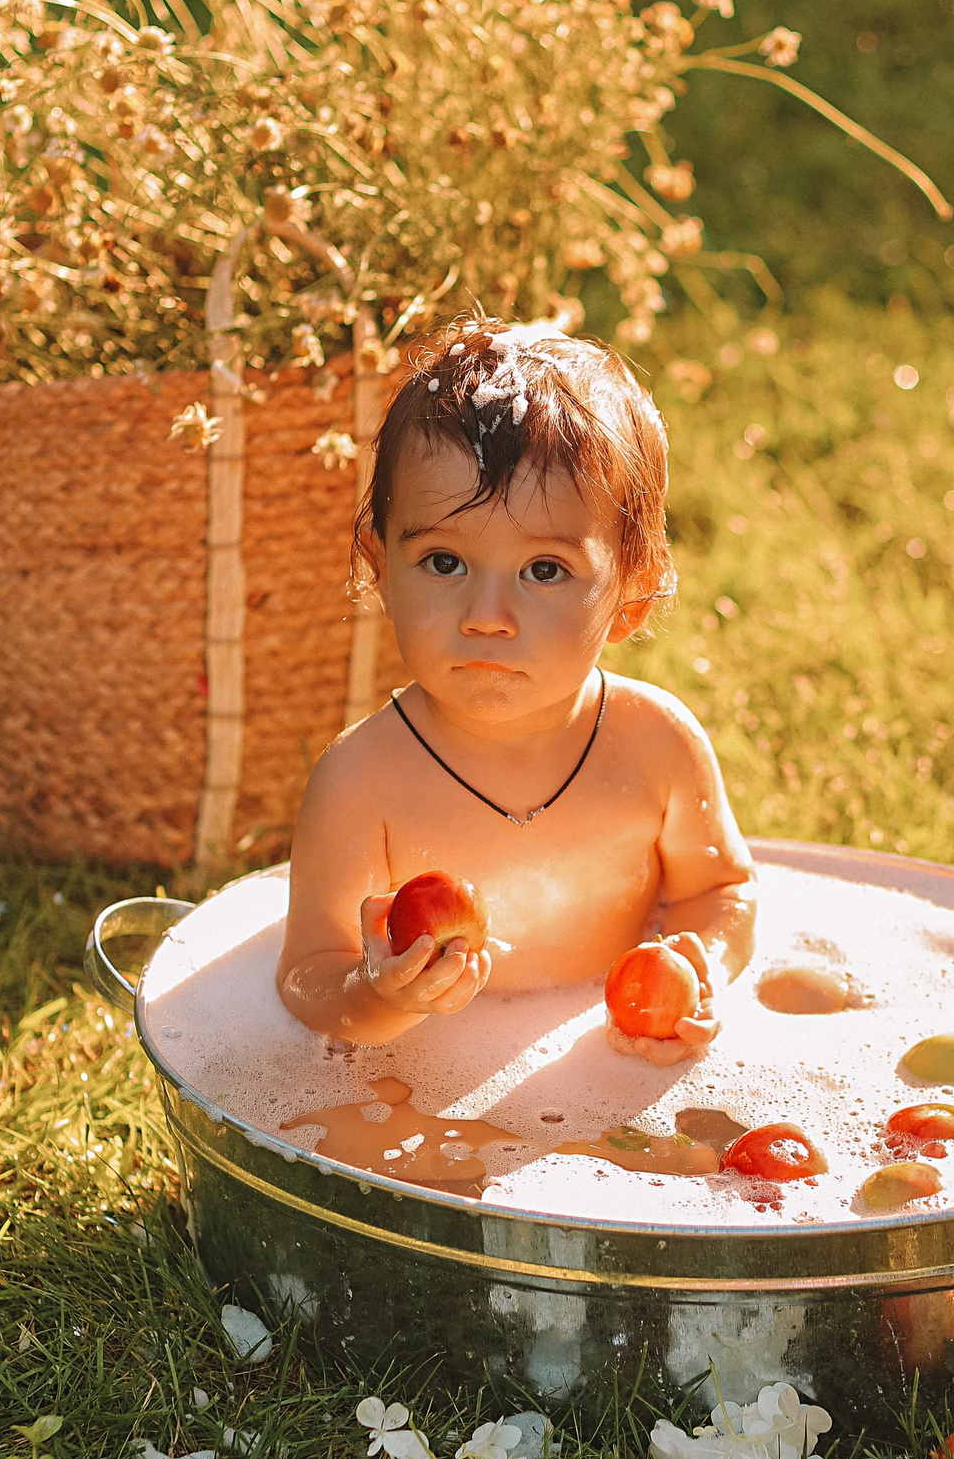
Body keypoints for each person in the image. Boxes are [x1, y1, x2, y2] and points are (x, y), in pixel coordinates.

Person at [275, 317, 755, 1062]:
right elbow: (308, 977)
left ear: (632, 594)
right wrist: (375, 997)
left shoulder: (657, 746)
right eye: (443, 562)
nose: (487, 618)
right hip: (426, 1092)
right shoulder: (360, 782)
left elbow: (722, 892)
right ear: (379, 567)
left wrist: (700, 968)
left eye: (543, 570)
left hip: (603, 1063)